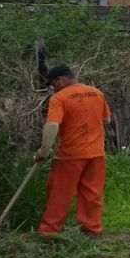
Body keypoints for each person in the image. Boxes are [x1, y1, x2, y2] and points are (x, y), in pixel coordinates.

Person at [34, 65, 111, 237]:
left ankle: (49, 231)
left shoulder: (59, 98)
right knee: (92, 193)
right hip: (96, 153)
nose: (53, 88)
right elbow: (107, 120)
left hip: (70, 155)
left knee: (60, 193)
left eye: (53, 84)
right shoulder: (97, 93)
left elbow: (53, 124)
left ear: (60, 80)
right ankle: (91, 230)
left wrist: (44, 151)